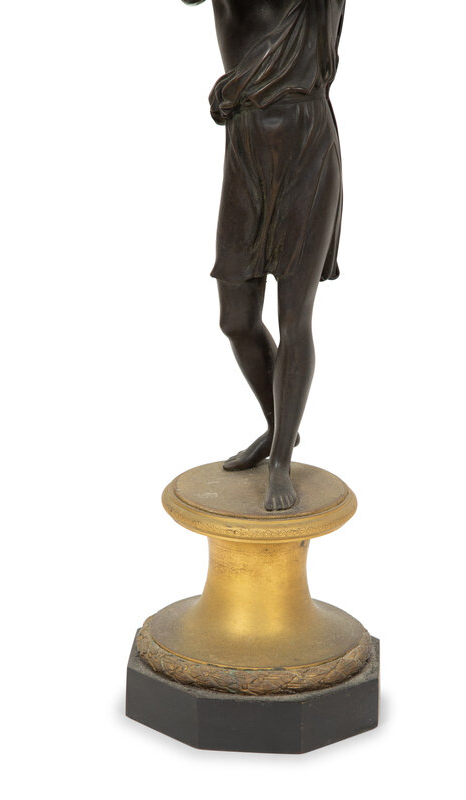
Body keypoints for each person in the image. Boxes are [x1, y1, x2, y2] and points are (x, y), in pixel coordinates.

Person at [183, 0, 346, 510]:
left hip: (306, 142)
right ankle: (280, 427)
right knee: (236, 319)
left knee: (295, 317)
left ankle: (279, 462)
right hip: (247, 145)